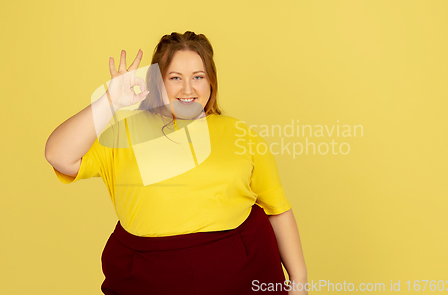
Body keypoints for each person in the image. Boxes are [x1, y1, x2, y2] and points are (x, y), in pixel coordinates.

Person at [44, 31, 307, 295]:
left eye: (198, 77)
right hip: (147, 278)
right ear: (157, 83)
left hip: (243, 274)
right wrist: (110, 101)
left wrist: (299, 283)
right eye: (175, 78)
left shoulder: (240, 133)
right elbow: (58, 155)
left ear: (211, 81)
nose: (188, 89)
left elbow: (277, 209)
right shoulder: (123, 135)